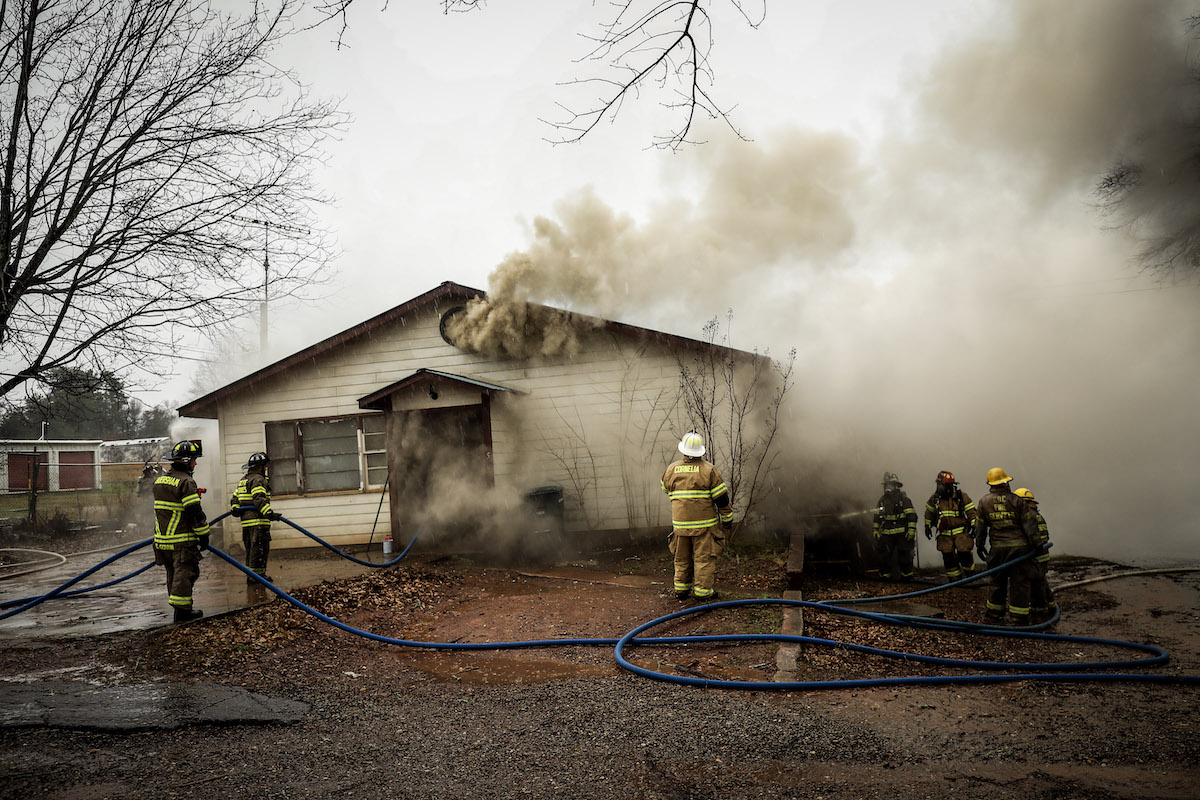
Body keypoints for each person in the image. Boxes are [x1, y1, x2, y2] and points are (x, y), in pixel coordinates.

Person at [661, 431, 734, 602]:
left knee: (681, 558)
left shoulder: (671, 469)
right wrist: (727, 520)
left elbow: (665, 488)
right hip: (704, 527)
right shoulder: (709, 470)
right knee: (703, 559)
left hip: (680, 526)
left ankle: (681, 590)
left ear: (683, 450)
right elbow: (722, 499)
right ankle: (703, 592)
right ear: (700, 450)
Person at [973, 467, 1041, 626]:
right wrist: (1037, 544)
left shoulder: (984, 502)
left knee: (997, 580)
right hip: (1020, 550)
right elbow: (1029, 524)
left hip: (998, 550)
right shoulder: (1017, 501)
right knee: (1020, 582)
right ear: (1005, 483)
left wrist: (979, 545)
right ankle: (1018, 617)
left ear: (991, 484)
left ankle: (994, 613)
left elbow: (980, 527)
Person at [152, 441, 210, 622]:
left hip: (162, 540)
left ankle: (179, 609)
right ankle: (183, 612)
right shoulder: (186, 482)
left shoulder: (160, 481)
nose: (195, 463)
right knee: (186, 573)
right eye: (194, 460)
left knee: (173, 573)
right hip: (181, 541)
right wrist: (204, 534)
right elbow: (194, 513)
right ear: (186, 461)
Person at [229, 451, 282, 584]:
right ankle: (257, 577)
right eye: (265, 466)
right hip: (258, 522)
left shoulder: (243, 480)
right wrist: (269, 513)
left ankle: (252, 575)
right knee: (259, 550)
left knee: (251, 551)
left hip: (246, 523)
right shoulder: (258, 479)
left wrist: (235, 509)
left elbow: (234, 499)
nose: (266, 469)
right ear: (260, 467)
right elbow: (259, 499)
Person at [923, 470, 978, 581]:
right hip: (944, 535)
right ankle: (955, 581)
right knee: (948, 559)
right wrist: (927, 526)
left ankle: (971, 578)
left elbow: (972, 512)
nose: (939, 488)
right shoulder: (935, 499)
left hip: (961, 533)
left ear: (949, 486)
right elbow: (929, 512)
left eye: (941, 485)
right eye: (938, 485)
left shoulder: (961, 497)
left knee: (965, 556)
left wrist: (974, 525)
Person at [1015, 487, 1057, 623]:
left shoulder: (1028, 516)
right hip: (1042, 556)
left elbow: (1032, 538)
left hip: (1034, 556)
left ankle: (1040, 613)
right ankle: (1050, 606)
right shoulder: (1037, 515)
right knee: (1041, 581)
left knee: (1034, 585)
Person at [868, 472, 917, 581]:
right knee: (883, 555)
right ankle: (885, 577)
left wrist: (911, 530)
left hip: (902, 533)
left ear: (896, 486)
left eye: (890, 485)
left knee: (905, 556)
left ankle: (907, 577)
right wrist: (875, 529)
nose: (887, 487)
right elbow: (877, 517)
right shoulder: (882, 500)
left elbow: (911, 516)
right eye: (886, 485)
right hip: (887, 533)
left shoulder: (904, 499)